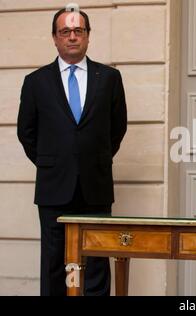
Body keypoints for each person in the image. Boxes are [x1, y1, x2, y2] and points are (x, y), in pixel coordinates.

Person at [17, 7, 127, 296]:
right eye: (65, 31)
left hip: (96, 185)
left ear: (88, 36)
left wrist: (94, 160)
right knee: (56, 265)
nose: (72, 37)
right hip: (54, 187)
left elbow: (117, 129)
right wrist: (52, 163)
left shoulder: (110, 78)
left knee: (96, 262)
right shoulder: (36, 82)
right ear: (55, 38)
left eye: (79, 30)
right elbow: (26, 132)